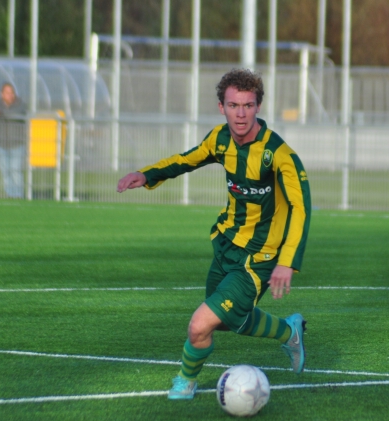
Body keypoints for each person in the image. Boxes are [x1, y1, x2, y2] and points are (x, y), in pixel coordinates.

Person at [117, 68, 312, 400]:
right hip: (226, 245)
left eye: (248, 105)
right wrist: (146, 175)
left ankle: (185, 381)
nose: (240, 113)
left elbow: (300, 207)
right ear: (221, 106)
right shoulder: (220, 139)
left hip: (259, 257)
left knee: (199, 325)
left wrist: (288, 262)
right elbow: (186, 160)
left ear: (258, 106)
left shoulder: (278, 154)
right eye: (233, 105)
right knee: (223, 321)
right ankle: (287, 331)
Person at [0, 83, 26, 199]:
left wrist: (0, 112)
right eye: (7, 93)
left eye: (11, 92)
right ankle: (10, 195)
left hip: (17, 145)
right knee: (6, 172)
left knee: (15, 170)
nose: (10, 95)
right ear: (1, 94)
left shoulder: (20, 104)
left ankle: (18, 195)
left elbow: (17, 113)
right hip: (2, 145)